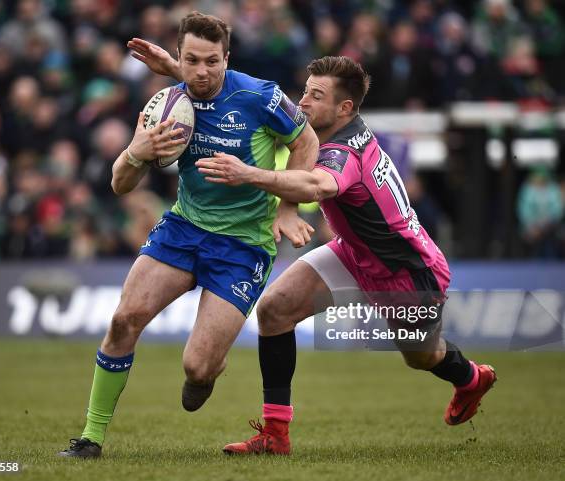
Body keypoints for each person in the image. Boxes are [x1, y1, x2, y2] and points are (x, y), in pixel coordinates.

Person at [194, 56, 497, 455]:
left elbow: (318, 185)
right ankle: (275, 435)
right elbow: (255, 98)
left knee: (423, 357)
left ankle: (471, 378)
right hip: (354, 253)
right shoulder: (333, 132)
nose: (302, 102)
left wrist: (248, 174)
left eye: (315, 96)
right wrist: (181, 70)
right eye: (305, 91)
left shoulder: (342, 152)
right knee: (274, 309)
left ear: (344, 108)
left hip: (405, 273)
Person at [58, 11, 318, 458]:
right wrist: (134, 152)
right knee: (124, 320)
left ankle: (206, 370)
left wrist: (288, 205)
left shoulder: (261, 97)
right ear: (179, 57)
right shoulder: (166, 104)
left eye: (212, 62)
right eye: (191, 60)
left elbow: (306, 140)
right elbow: (120, 184)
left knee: (198, 369)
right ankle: (91, 439)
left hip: (243, 246)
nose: (202, 72)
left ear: (227, 58)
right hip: (183, 228)